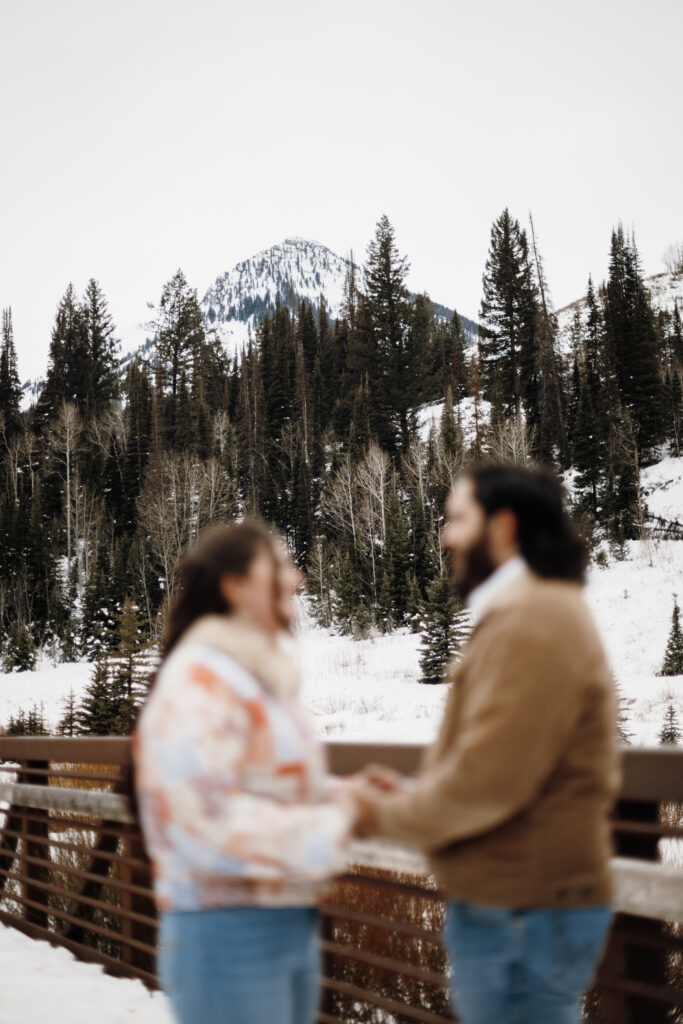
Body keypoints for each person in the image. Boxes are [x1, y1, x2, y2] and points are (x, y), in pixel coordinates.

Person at [354, 463, 620, 1024]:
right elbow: (506, 762)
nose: (446, 534)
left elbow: (488, 781)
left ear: (502, 528)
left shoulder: (533, 619)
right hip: (519, 902)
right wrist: (409, 791)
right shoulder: (525, 612)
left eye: (457, 518)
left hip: (525, 908)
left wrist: (379, 812)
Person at [134, 521, 354, 1024]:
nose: (296, 579)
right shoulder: (199, 679)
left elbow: (260, 785)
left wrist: (347, 795)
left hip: (284, 919)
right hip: (227, 933)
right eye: (277, 566)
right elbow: (202, 819)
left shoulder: (250, 677)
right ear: (234, 586)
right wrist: (333, 824)